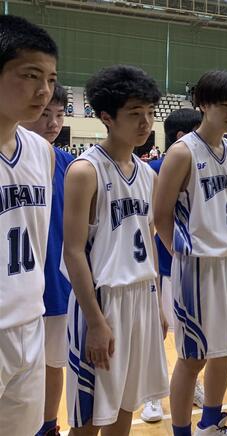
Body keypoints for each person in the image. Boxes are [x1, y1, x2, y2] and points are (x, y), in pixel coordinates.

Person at [62, 65, 169, 435]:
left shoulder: (148, 174)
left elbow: (149, 240)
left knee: (126, 403)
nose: (145, 122)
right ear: (107, 117)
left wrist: (158, 305)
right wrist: (95, 322)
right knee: (90, 418)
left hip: (142, 297)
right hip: (102, 302)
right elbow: (73, 252)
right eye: (135, 113)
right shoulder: (85, 171)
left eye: (150, 112)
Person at [154, 70, 227, 436]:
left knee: (226, 349)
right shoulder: (183, 152)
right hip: (196, 268)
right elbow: (161, 214)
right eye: (225, 106)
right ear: (203, 105)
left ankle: (210, 424)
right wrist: (183, 255)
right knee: (192, 358)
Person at [0, 15, 57, 436]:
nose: (44, 91)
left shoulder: (41, 152)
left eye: (51, 79)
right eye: (31, 75)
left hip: (30, 321)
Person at [139, 108, 205, 423]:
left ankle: (191, 385)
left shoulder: (203, 166)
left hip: (196, 267)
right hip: (164, 266)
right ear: (182, 136)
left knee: (190, 333)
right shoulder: (152, 170)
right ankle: (152, 394)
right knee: (158, 331)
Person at [19, 82, 73, 436]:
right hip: (18, 288)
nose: (52, 123)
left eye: (59, 115)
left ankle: (49, 426)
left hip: (57, 284)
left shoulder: (71, 165)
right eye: (44, 114)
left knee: (54, 363)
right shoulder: (15, 159)